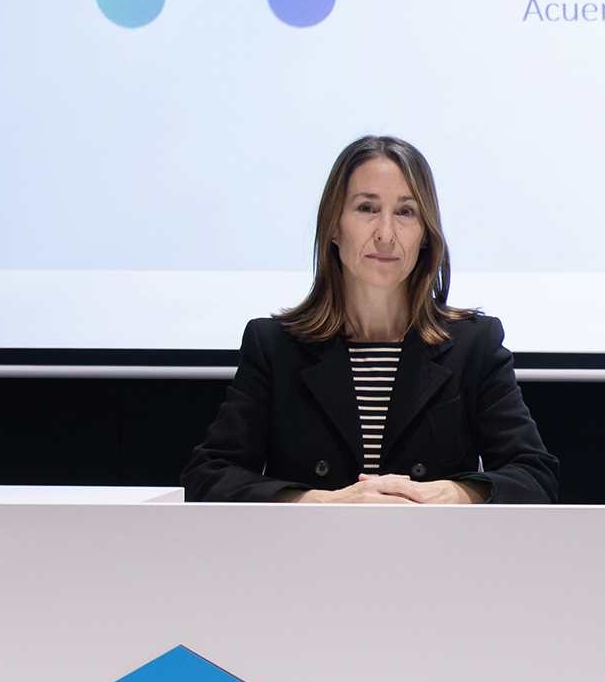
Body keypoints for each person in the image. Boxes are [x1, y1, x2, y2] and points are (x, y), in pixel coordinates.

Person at [184, 135, 558, 504]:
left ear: (425, 234)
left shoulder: (474, 343)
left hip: (431, 544)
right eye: (366, 208)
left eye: (405, 212)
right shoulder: (274, 346)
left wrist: (450, 493)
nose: (385, 234)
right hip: (314, 545)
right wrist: (321, 503)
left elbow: (534, 477)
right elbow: (209, 475)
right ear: (333, 226)